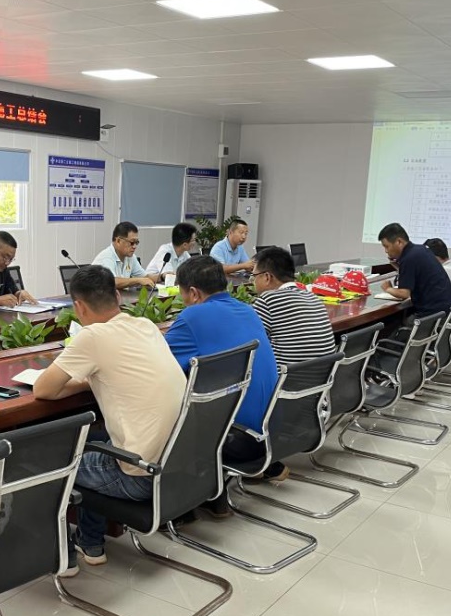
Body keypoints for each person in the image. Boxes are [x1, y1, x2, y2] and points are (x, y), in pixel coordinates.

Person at [34, 266, 185, 567]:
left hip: (141, 476)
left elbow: (43, 389)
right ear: (117, 296)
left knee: (46, 461)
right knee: (96, 442)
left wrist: (86, 378)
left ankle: (63, 556)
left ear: (78, 306)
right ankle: (90, 543)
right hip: (179, 467)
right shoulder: (145, 325)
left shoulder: (92, 336)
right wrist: (95, 378)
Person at [165, 256, 279, 517]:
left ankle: (179, 505)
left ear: (193, 293)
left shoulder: (193, 316)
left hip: (235, 438)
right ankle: (212, 495)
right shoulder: (247, 310)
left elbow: (158, 364)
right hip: (271, 431)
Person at [251, 247, 337, 369]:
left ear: (267, 277)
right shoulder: (313, 297)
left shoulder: (267, 301)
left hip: (284, 379)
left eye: (254, 276)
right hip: (323, 379)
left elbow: (248, 344)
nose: (253, 282)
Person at [377, 223, 451, 318]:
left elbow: (404, 294)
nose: (386, 251)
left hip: (434, 315)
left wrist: (387, 288)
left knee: (397, 324)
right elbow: (417, 275)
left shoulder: (408, 258)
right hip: (448, 311)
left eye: (387, 246)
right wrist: (400, 268)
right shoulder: (421, 249)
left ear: (399, 242)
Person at [92, 222, 158, 289]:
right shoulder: (106, 257)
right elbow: (112, 282)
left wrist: (162, 276)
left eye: (136, 242)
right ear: (118, 241)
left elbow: (145, 277)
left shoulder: (130, 257)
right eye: (132, 242)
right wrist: (138, 280)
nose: (134, 246)